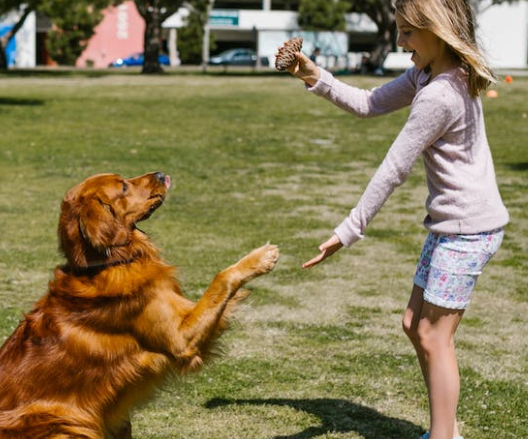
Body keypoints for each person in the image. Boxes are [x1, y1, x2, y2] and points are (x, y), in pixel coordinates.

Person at [285, 1, 509, 439]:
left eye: (408, 32)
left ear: (438, 31)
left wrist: (349, 229)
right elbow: (368, 103)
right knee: (414, 325)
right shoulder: (429, 75)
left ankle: (443, 436)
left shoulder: (440, 94)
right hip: (451, 227)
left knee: (432, 335)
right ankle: (445, 431)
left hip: (468, 230)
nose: (401, 41)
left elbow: (393, 168)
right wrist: (313, 75)